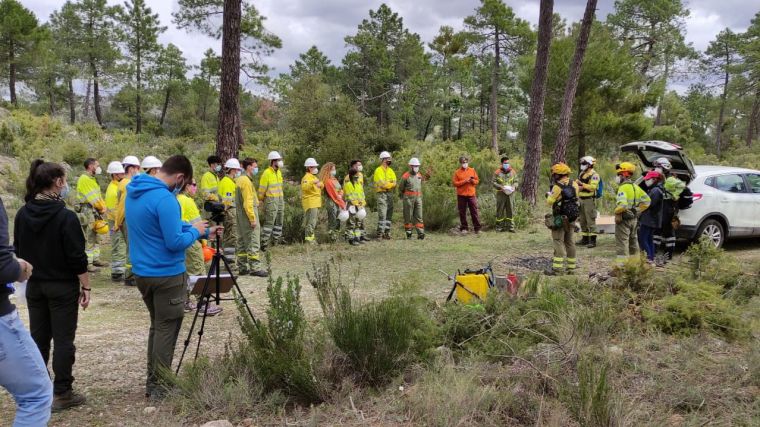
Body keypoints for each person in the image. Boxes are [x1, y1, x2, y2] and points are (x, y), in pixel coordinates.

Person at [125, 155, 220, 400]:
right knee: (167, 330)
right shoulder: (166, 199)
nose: (183, 187)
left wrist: (199, 230)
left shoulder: (135, 192)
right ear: (180, 178)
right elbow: (174, 241)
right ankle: (160, 387)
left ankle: (153, 382)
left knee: (157, 327)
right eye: (185, 183)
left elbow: (166, 227)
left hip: (143, 273)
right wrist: (196, 233)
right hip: (166, 274)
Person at [14, 159, 91, 411]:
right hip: (61, 286)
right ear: (58, 182)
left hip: (34, 286)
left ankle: (39, 389)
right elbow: (77, 257)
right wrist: (86, 287)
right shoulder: (65, 217)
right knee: (63, 339)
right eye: (64, 180)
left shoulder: (23, 214)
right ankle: (62, 392)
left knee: (38, 338)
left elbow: (18, 250)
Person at [1, 194, 53, 425]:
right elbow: (3, 266)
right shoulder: (65, 215)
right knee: (36, 395)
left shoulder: (23, 213)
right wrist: (19, 267)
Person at [177, 179, 222, 316]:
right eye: (194, 185)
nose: (196, 188)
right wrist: (205, 242)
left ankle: (183, 301)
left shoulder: (174, 199)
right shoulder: (187, 201)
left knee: (184, 272)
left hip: (181, 241)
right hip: (192, 242)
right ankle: (203, 305)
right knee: (198, 272)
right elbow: (198, 225)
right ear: (186, 186)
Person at [613, 162, 651, 270]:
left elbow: (623, 205)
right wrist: (637, 210)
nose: (618, 177)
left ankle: (622, 267)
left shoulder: (623, 188)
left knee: (622, 243)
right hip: (634, 219)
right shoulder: (636, 187)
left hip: (624, 220)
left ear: (625, 174)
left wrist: (616, 211)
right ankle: (635, 265)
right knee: (633, 242)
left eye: (619, 174)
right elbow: (647, 201)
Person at [545, 163, 580, 275]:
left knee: (558, 241)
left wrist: (549, 195)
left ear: (558, 175)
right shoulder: (574, 184)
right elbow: (576, 198)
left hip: (560, 218)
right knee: (569, 241)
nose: (553, 176)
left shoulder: (557, 187)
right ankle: (571, 268)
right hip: (572, 217)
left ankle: (558, 269)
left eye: (554, 174)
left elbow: (549, 202)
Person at [236, 158, 268, 277]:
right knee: (253, 240)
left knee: (242, 241)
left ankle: (242, 267)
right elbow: (248, 202)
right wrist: (252, 219)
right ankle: (255, 268)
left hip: (240, 216)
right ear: (249, 167)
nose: (256, 168)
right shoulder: (246, 181)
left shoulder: (240, 180)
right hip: (247, 215)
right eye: (255, 166)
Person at [75, 157, 106, 272]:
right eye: (97, 165)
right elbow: (93, 199)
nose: (98, 167)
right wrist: (102, 208)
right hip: (88, 211)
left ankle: (96, 259)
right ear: (90, 166)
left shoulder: (92, 179)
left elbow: (98, 197)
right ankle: (88, 263)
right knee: (90, 236)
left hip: (94, 210)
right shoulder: (84, 179)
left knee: (96, 235)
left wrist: (102, 207)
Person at [114, 155, 141, 286]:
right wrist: (118, 222)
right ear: (131, 168)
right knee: (132, 248)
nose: (138, 170)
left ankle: (132, 275)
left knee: (132, 247)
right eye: (137, 167)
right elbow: (122, 207)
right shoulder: (128, 184)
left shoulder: (123, 182)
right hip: (128, 220)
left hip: (127, 220)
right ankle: (130, 277)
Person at [653, 158, 685, 263]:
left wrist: (675, 195)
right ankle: (653, 254)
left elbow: (682, 186)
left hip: (668, 208)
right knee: (657, 231)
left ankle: (668, 256)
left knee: (669, 232)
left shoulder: (671, 179)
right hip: (661, 207)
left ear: (665, 167)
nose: (656, 169)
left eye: (658, 167)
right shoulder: (660, 177)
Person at [258, 151, 285, 251]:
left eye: (279, 160)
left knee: (279, 221)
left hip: (280, 199)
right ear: (273, 161)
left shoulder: (279, 172)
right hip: (271, 200)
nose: (280, 162)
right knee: (269, 222)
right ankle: (264, 244)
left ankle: (275, 242)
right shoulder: (266, 173)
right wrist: (260, 199)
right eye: (278, 160)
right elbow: (262, 188)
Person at [105, 161, 126, 282]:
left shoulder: (113, 186)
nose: (123, 175)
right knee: (119, 246)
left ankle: (117, 271)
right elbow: (116, 209)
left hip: (115, 221)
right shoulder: (114, 189)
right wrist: (118, 223)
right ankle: (117, 273)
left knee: (117, 245)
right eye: (120, 173)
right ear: (114, 175)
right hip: (116, 222)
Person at [218, 158, 241, 268]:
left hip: (231, 212)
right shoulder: (227, 182)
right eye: (236, 170)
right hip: (230, 213)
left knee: (230, 237)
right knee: (231, 238)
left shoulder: (229, 181)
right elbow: (227, 202)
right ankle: (230, 263)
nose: (238, 172)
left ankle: (229, 261)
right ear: (232, 170)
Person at [638, 170, 665, 265]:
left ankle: (648, 258)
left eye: (648, 179)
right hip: (652, 219)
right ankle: (651, 257)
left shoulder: (655, 191)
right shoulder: (657, 189)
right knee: (649, 239)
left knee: (643, 239)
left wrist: (639, 206)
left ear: (654, 179)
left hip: (649, 219)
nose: (646, 181)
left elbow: (648, 204)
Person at [575, 155, 601, 248]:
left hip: (589, 201)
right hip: (581, 199)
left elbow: (593, 187)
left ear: (590, 165)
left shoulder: (594, 175)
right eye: (582, 163)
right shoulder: (582, 173)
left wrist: (582, 185)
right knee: (582, 220)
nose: (582, 165)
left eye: (584, 163)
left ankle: (593, 241)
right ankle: (584, 239)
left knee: (590, 220)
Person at [452, 155, 481, 235]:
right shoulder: (457, 172)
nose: (464, 163)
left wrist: (472, 180)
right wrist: (464, 181)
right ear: (460, 163)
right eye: (463, 162)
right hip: (461, 195)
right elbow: (455, 183)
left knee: (474, 211)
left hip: (471, 194)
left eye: (465, 162)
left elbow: (477, 181)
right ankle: (464, 228)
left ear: (467, 162)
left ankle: (477, 229)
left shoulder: (472, 170)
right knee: (462, 212)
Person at [398, 157, 425, 240]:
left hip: (418, 199)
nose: (417, 167)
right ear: (411, 166)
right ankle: (408, 233)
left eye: (418, 166)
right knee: (408, 216)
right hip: (408, 199)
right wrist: (404, 196)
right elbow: (401, 188)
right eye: (415, 166)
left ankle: (420, 234)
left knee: (419, 216)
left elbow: (421, 185)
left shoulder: (419, 175)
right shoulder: (405, 176)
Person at [373, 151, 397, 239]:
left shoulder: (391, 171)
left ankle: (387, 233)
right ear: (383, 160)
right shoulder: (378, 170)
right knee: (382, 214)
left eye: (389, 158)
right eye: (387, 158)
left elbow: (395, 183)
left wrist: (389, 184)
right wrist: (389, 184)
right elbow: (382, 184)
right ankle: (379, 233)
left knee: (389, 214)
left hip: (389, 194)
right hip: (381, 194)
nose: (389, 160)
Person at [320, 162, 346, 243]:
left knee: (338, 220)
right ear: (328, 170)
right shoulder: (327, 181)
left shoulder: (334, 179)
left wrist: (341, 195)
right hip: (332, 202)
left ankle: (336, 236)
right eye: (333, 169)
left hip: (338, 201)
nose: (334, 171)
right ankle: (332, 238)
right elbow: (334, 195)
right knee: (333, 220)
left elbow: (340, 190)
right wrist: (342, 203)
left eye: (335, 169)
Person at [345, 159, 370, 242]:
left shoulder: (359, 182)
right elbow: (349, 195)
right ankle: (351, 239)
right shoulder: (348, 182)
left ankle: (358, 237)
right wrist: (356, 203)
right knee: (351, 223)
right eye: (356, 175)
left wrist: (362, 203)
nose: (357, 176)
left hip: (360, 205)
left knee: (358, 223)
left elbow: (361, 193)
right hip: (352, 205)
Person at [301, 158, 324, 244]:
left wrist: (319, 184)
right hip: (310, 203)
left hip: (315, 202)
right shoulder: (306, 177)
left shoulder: (313, 177)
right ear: (309, 167)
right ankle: (309, 240)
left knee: (313, 221)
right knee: (311, 222)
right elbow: (304, 187)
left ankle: (311, 239)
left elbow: (321, 184)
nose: (315, 168)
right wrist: (312, 183)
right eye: (314, 167)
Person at [493, 156, 518, 232]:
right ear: (502, 163)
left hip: (510, 194)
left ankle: (511, 227)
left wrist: (514, 186)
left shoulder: (513, 172)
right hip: (501, 194)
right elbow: (493, 182)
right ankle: (499, 227)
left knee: (510, 210)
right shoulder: (497, 172)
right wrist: (500, 187)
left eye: (508, 163)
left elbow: (516, 181)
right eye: (505, 163)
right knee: (500, 210)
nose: (507, 164)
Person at [200, 155, 223, 221]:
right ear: (212, 165)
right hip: (209, 209)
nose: (219, 166)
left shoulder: (216, 177)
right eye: (218, 164)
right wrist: (216, 198)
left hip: (216, 208)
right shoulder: (206, 176)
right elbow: (205, 194)